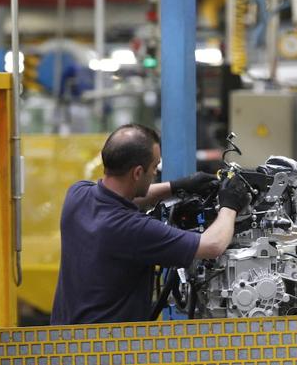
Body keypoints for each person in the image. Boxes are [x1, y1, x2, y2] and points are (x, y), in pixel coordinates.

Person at [50, 123, 250, 325]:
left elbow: (123, 197)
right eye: (155, 167)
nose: (155, 173)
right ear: (137, 173)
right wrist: (229, 205)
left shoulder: (77, 195)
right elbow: (212, 245)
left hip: (65, 339)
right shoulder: (131, 229)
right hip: (104, 349)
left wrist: (176, 186)